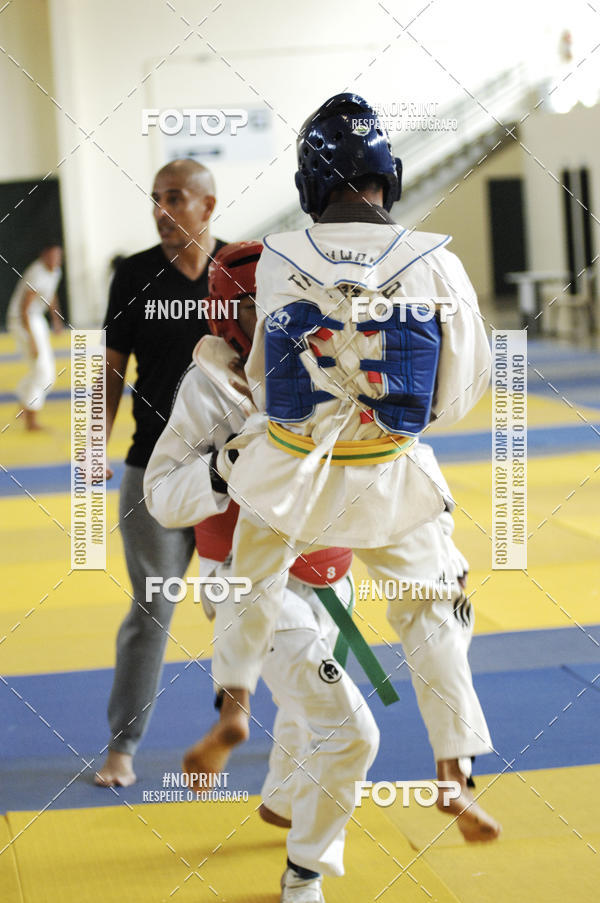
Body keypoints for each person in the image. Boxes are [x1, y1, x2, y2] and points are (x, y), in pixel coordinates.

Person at [187, 95, 494, 873]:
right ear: (389, 177)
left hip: (291, 474)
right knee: (434, 598)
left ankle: (235, 698)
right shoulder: (437, 259)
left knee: (250, 581)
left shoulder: (280, 260)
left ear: (307, 184)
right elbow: (458, 393)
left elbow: (261, 374)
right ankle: (454, 765)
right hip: (390, 477)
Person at [144, 241, 380, 902]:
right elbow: (161, 494)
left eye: (291, 296)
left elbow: (385, 463)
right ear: (228, 313)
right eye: (260, 301)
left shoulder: (339, 362)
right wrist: (221, 469)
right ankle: (306, 869)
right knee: (351, 730)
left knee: (307, 710)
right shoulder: (207, 387)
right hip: (250, 582)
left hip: (332, 572)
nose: (280, 312)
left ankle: (281, 800)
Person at [95, 157, 226, 787]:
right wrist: (93, 445)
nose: (161, 209)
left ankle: (235, 721)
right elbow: (113, 368)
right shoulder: (134, 274)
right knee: (153, 608)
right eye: (155, 198)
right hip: (153, 471)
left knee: (241, 605)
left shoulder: (242, 270)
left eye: (174, 196)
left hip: (233, 475)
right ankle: (123, 746)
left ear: (207, 203)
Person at [7, 245, 63, 430]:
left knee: (42, 372)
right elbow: (24, 309)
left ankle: (25, 404)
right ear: (43, 255)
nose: (55, 259)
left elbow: (51, 295)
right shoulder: (36, 273)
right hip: (23, 320)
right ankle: (30, 417)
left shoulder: (55, 272)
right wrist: (32, 341)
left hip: (36, 319)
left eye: (58, 255)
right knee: (44, 372)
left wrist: (56, 319)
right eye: (52, 255)